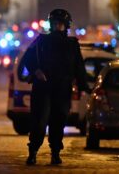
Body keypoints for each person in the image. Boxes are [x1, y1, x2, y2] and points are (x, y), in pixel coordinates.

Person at [21, 9, 90, 166]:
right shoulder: (41, 40)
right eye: (54, 23)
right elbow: (28, 59)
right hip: (42, 88)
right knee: (39, 122)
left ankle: (55, 153)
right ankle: (32, 152)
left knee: (58, 122)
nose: (56, 26)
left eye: (59, 23)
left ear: (65, 25)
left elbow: (79, 67)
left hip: (62, 89)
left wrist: (84, 86)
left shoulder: (72, 44)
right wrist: (36, 71)